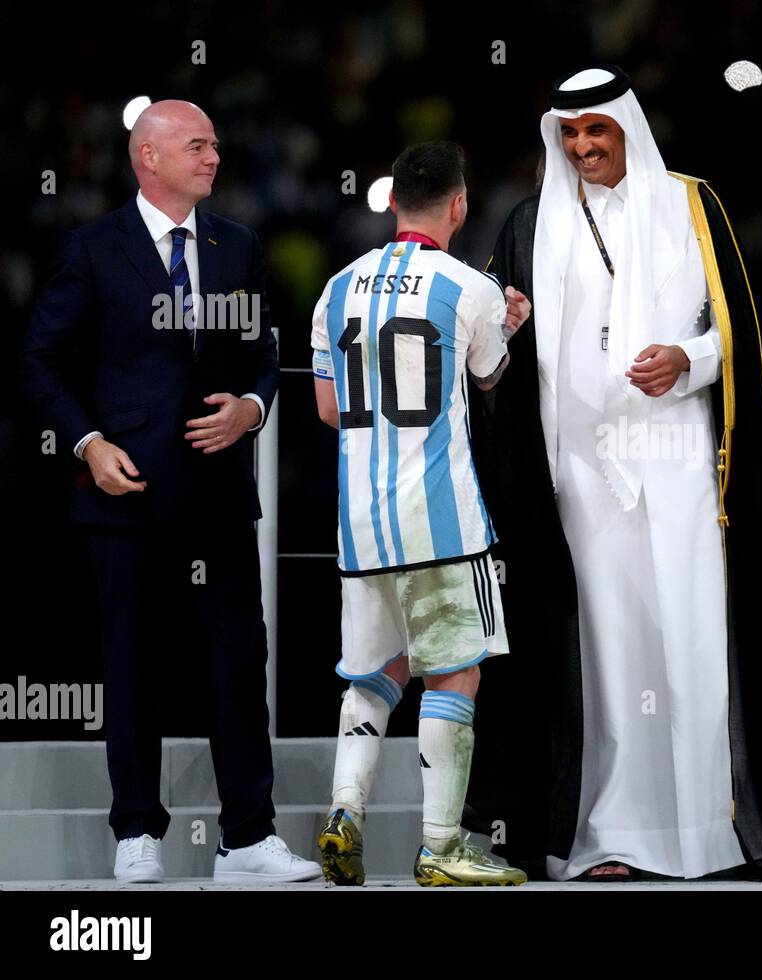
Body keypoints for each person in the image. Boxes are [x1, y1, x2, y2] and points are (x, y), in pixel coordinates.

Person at [466, 65, 762, 881]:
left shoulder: (691, 204)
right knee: (606, 653)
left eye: (596, 132)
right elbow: (497, 363)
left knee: (690, 641)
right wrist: (503, 330)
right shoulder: (530, 223)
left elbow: (740, 333)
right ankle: (610, 833)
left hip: (682, 464)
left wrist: (688, 359)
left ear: (627, 129)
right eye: (569, 135)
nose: (582, 149)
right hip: (577, 472)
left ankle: (701, 832)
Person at [23, 99, 319, 883]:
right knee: (132, 666)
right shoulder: (92, 250)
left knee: (236, 664)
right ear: (148, 158)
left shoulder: (239, 246)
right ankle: (136, 831)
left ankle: (248, 838)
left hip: (218, 498)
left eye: (216, 145)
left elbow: (263, 354)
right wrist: (88, 445)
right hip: (125, 497)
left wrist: (253, 408)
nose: (213, 157)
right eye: (197, 145)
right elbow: (39, 362)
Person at [310, 141, 530, 886]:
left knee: (375, 674)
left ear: (394, 200)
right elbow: (491, 374)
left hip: (361, 522)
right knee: (454, 676)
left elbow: (330, 409)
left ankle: (345, 812)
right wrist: (509, 320)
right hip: (440, 520)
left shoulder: (336, 288)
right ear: (460, 205)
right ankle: (441, 846)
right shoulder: (469, 287)